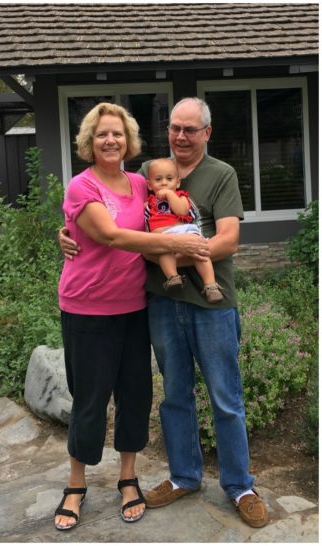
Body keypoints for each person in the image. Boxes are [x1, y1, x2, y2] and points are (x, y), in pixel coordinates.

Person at [60, 97, 269, 529]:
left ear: (206, 133)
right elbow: (107, 225)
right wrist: (64, 233)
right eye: (175, 128)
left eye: (191, 129)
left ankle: (240, 486)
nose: (181, 136)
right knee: (174, 397)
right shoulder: (146, 178)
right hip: (158, 301)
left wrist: (186, 249)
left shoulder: (219, 175)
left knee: (225, 399)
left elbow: (228, 239)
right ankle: (184, 477)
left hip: (210, 306)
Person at [54, 102, 210, 531]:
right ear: (90, 141)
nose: (110, 140)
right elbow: (109, 235)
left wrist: (184, 233)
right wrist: (178, 247)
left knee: (135, 396)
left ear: (129, 141)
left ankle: (127, 477)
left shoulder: (141, 183)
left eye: (118, 134)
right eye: (102, 134)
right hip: (86, 308)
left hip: (135, 307)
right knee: (89, 400)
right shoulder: (82, 186)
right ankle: (76, 483)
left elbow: (167, 214)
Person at [144, 157, 223, 303]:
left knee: (199, 251)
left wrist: (169, 194)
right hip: (162, 236)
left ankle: (211, 285)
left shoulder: (181, 196)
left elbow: (181, 211)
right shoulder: (149, 202)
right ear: (149, 185)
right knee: (163, 251)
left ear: (178, 182)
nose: (164, 183)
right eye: (158, 179)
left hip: (182, 230)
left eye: (169, 178)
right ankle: (173, 278)